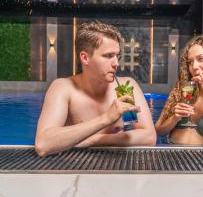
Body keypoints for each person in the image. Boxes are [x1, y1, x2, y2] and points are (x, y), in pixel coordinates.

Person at [35, 21, 156, 157]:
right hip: (73, 166)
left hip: (117, 165)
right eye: (108, 56)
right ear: (85, 58)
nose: (116, 63)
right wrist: (106, 118)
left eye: (117, 56)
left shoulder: (126, 87)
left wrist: (93, 139)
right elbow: (43, 145)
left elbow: (149, 137)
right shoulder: (63, 88)